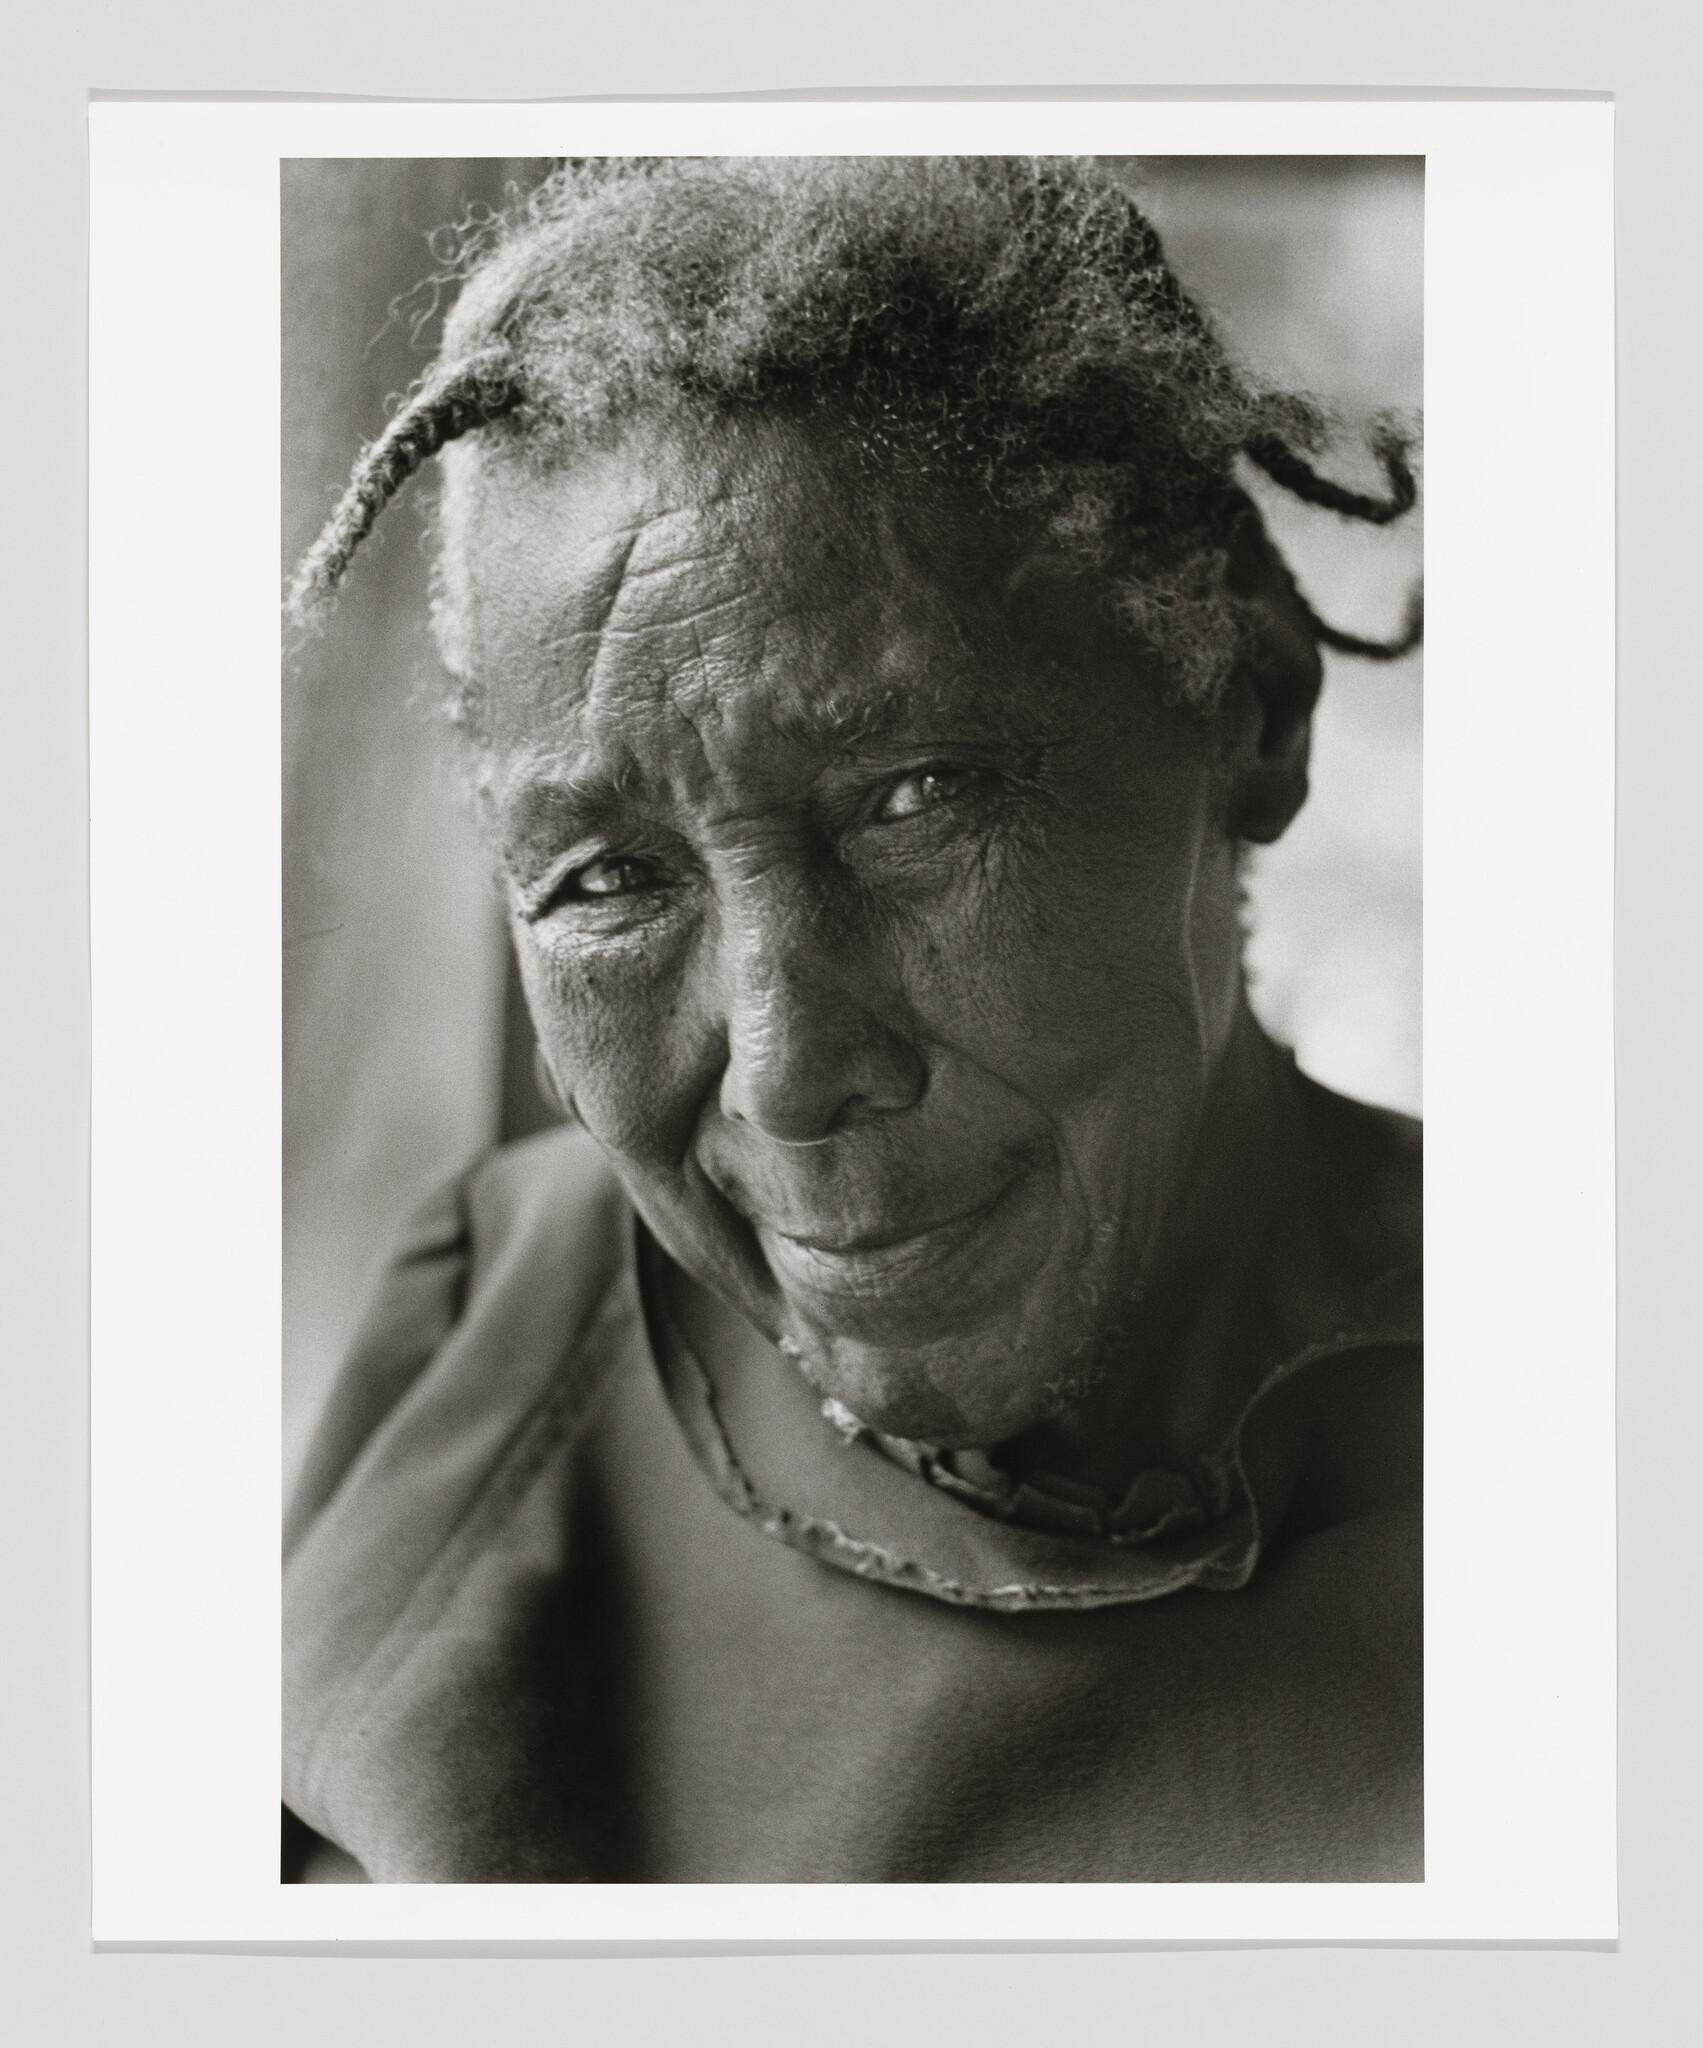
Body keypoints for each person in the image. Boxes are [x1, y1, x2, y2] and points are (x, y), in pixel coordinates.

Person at [281, 156, 1423, 1884]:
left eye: (914, 797)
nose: (788, 1069)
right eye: (609, 880)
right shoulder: (495, 1309)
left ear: (1248, 701)